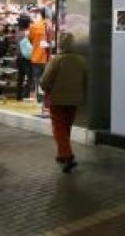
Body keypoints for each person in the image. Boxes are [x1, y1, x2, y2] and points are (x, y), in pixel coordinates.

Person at [41, 32, 88, 173]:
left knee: (58, 128)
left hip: (57, 99)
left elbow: (45, 80)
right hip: (74, 100)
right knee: (66, 126)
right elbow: (86, 80)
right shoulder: (82, 60)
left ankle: (67, 155)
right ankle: (62, 154)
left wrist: (46, 89)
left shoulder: (56, 60)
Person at [28, 8, 51, 103]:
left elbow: (30, 39)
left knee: (36, 79)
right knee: (47, 79)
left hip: (36, 56)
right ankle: (45, 99)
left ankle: (38, 98)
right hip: (47, 57)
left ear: (41, 14)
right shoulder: (52, 26)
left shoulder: (34, 26)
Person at [15, 18, 33, 100]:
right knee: (30, 76)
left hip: (19, 57)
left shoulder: (17, 32)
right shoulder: (27, 33)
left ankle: (19, 95)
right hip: (26, 58)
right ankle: (26, 94)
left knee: (20, 77)